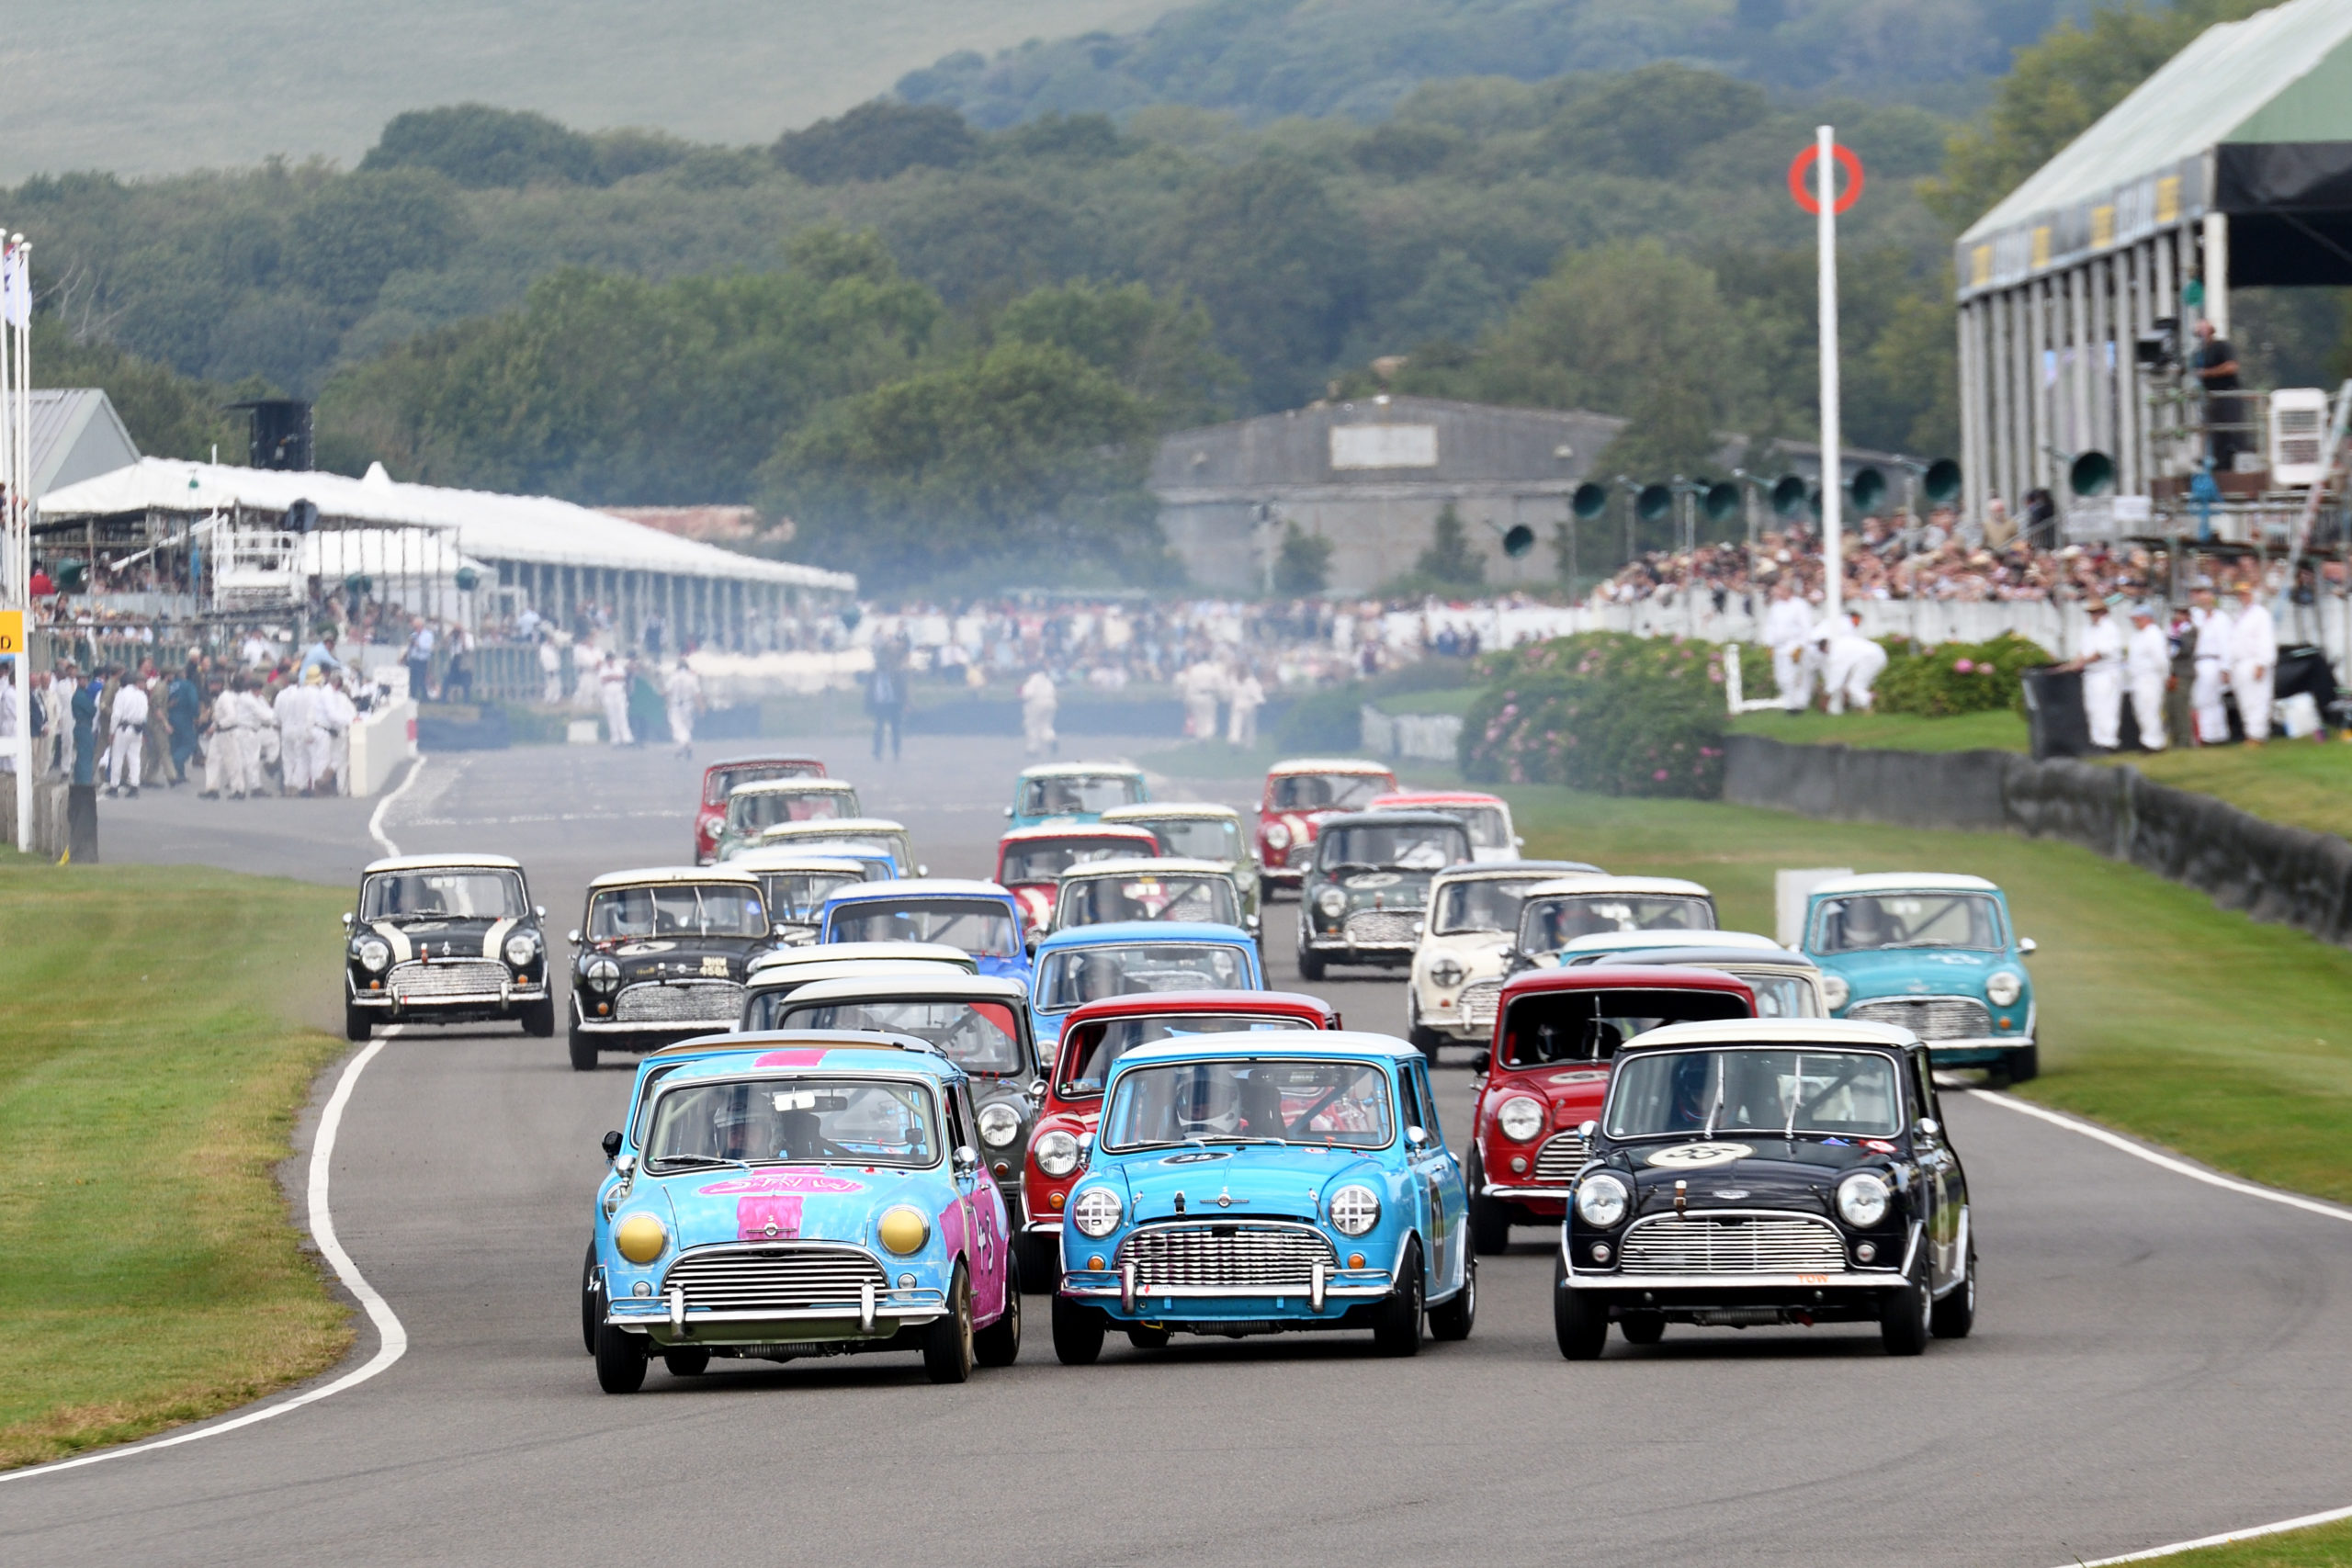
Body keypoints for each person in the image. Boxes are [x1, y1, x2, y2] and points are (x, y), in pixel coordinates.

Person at [2069, 597, 2127, 750]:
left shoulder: (2109, 628)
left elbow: (2100, 653)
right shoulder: (2088, 629)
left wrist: (2081, 663)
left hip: (2106, 672)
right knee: (2092, 708)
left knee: (2106, 707)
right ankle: (2097, 740)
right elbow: (2083, 650)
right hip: (2091, 673)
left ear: (2104, 612)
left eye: (2096, 612)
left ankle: (2109, 741)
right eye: (2091, 613)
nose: (2093, 615)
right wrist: (2075, 662)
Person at [2193, 319, 2248, 470]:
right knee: (2216, 434)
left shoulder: (2222, 347)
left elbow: (2231, 367)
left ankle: (2239, 463)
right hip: (2211, 399)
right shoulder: (2198, 354)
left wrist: (2207, 373)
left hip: (2228, 395)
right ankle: (2220, 465)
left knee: (2233, 431)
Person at [2228, 582, 2277, 744]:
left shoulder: (2260, 614)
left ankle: (2257, 735)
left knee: (2257, 699)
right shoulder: (2240, 615)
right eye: (2240, 594)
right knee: (2245, 701)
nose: (2242, 597)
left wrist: (2262, 663)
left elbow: (2266, 640)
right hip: (2240, 663)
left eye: (2245, 593)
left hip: (2254, 662)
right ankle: (2250, 733)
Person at [2188, 581, 2233, 744]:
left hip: (2214, 661)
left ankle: (2211, 735)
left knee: (2209, 699)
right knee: (2202, 699)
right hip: (2197, 661)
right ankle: (2211, 734)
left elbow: (2227, 644)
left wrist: (2226, 668)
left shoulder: (2222, 619)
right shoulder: (2194, 616)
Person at [1761, 581, 1815, 711]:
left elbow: (1806, 626)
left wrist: (1801, 646)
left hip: (1794, 645)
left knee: (1794, 677)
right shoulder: (1776, 607)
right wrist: (1769, 644)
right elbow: (1770, 626)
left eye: (1780, 590)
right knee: (1781, 678)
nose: (1778, 593)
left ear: (1788, 590)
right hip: (1778, 647)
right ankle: (1791, 702)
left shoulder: (1800, 605)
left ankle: (1798, 704)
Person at [1821, 611, 1888, 716]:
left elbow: (1836, 677)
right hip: (1878, 655)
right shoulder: (1841, 642)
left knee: (1854, 686)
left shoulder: (1836, 651)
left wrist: (1826, 696)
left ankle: (1868, 707)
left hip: (1871, 658)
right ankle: (1861, 706)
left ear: (1824, 648)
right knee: (1857, 686)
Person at [2125, 602, 2171, 750]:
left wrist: (2164, 676)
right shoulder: (2139, 635)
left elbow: (2161, 659)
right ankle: (2148, 739)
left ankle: (2154, 742)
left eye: (2138, 619)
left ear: (2147, 618)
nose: (2135, 622)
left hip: (2150, 677)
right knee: (2141, 710)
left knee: (2149, 709)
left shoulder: (2153, 634)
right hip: (2138, 678)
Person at [275, 671, 321, 795]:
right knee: (300, 758)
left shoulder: (280, 695)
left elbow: (276, 716)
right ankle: (299, 784)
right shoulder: (301, 693)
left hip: (285, 729)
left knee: (287, 759)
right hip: (300, 728)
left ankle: (288, 785)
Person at [107, 666, 150, 795]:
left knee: (117, 757)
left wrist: (112, 731)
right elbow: (144, 714)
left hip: (123, 728)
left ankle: (114, 786)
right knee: (135, 758)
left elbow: (116, 715)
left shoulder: (121, 694)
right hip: (138, 729)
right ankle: (134, 786)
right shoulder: (142, 695)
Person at [319, 671, 357, 795]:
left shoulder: (331, 695)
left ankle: (336, 787)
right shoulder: (337, 697)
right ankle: (333, 785)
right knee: (341, 760)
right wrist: (350, 721)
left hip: (333, 731)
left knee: (336, 759)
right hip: (339, 731)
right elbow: (348, 715)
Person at [166, 660, 202, 784]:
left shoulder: (169, 686)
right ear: (184, 674)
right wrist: (196, 715)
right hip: (184, 717)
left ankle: (179, 773)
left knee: (176, 744)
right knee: (189, 743)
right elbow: (193, 701)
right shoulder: (188, 685)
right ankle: (176, 760)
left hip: (170, 717)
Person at [866, 654, 905, 761]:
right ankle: (877, 752)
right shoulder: (874, 676)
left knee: (895, 730)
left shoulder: (895, 675)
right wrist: (869, 706)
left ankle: (896, 752)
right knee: (879, 730)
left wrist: (904, 703)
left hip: (893, 705)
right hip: (880, 705)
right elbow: (869, 691)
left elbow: (902, 689)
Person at [663, 657, 702, 759]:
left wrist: (664, 699)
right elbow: (697, 693)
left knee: (677, 726)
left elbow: (667, 691)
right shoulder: (692, 677)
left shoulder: (673, 677)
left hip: (676, 705)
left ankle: (685, 744)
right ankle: (683, 747)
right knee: (687, 727)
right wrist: (701, 707)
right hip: (688, 705)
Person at [1020, 667, 1057, 759]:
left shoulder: (1033, 679)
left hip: (1036, 704)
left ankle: (1033, 748)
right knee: (1046, 725)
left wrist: (1021, 694)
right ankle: (1051, 738)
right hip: (1051, 703)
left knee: (1032, 726)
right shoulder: (1047, 680)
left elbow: (1027, 694)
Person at [599, 651, 633, 746]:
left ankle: (626, 737)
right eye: (609, 659)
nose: (610, 661)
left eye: (611, 659)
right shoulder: (603, 669)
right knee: (612, 716)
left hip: (619, 694)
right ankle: (615, 738)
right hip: (608, 695)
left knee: (622, 716)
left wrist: (610, 677)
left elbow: (621, 677)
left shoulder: (619, 668)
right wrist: (613, 677)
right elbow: (603, 679)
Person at [1227, 664, 1265, 746]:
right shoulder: (1251, 680)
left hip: (1238, 705)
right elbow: (1256, 692)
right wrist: (1260, 701)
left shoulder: (1233, 680)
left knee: (1235, 725)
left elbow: (1229, 692)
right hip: (1248, 705)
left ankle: (1235, 740)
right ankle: (1248, 744)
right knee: (1249, 726)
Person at [401, 616, 435, 703]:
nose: (415, 628)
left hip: (422, 660)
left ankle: (425, 697)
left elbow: (428, 648)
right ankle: (413, 696)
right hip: (413, 659)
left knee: (421, 679)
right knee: (412, 679)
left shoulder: (428, 635)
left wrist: (418, 645)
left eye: (417, 626)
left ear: (421, 626)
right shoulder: (413, 635)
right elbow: (410, 647)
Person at [538, 635, 565, 705]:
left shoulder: (553, 648)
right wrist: (549, 669)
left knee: (557, 685)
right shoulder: (544, 648)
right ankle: (548, 700)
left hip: (555, 669)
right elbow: (545, 659)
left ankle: (556, 700)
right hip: (549, 670)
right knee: (550, 685)